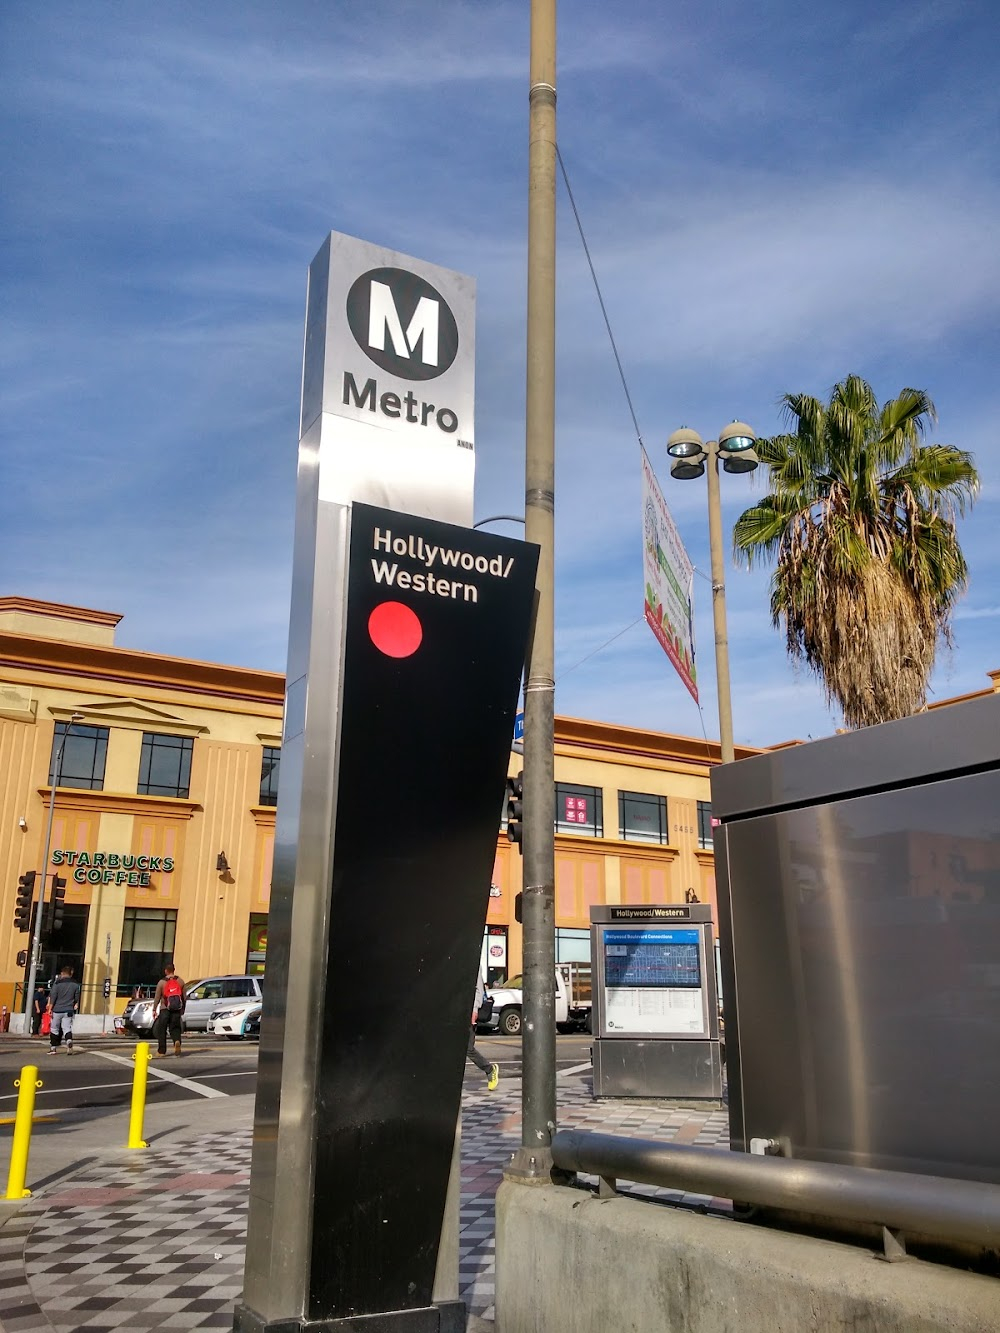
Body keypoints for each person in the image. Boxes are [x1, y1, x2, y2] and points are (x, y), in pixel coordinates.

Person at [467, 973, 499, 1091]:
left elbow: (478, 990)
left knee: (468, 1048)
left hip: (469, 1011)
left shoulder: (472, 961)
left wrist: (474, 1010)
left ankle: (489, 1070)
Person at [152, 963, 186, 1057]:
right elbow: (184, 997)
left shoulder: (162, 982)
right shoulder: (180, 981)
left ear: (166, 970)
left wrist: (154, 1009)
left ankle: (161, 1051)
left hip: (165, 1008)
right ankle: (177, 1041)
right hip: (176, 1008)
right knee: (175, 1028)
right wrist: (183, 1008)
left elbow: (157, 997)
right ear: (174, 970)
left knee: (161, 1029)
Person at [47, 966, 80, 1054]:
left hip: (57, 1009)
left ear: (62, 973)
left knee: (54, 1028)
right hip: (69, 1009)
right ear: (70, 973)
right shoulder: (75, 984)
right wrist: (75, 1003)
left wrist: (50, 1008)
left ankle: (53, 1048)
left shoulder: (57, 984)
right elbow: (76, 997)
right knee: (67, 1028)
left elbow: (53, 996)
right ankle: (69, 1041)